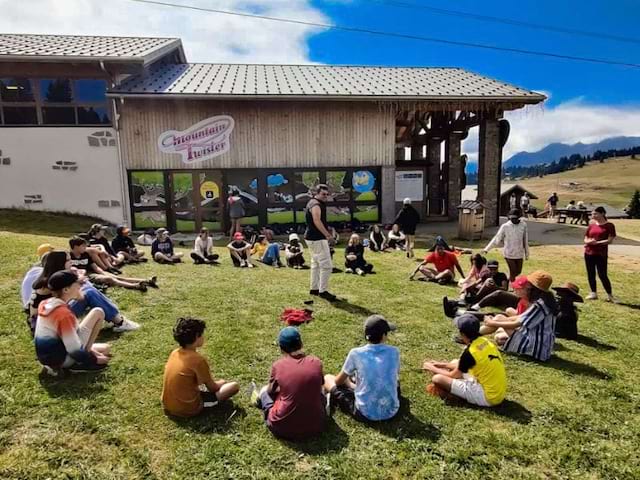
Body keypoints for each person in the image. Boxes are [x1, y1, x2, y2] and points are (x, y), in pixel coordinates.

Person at [29, 250, 140, 335]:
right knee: (89, 292)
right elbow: (73, 297)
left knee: (87, 289)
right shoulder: (51, 282)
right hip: (49, 323)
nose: (71, 262)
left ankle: (116, 318)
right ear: (60, 263)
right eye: (68, 260)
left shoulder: (51, 277)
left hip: (50, 316)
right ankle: (119, 322)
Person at [251, 327, 326, 440]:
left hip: (282, 427)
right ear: (301, 343)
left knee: (264, 392)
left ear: (281, 349)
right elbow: (321, 387)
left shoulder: (278, 365)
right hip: (316, 426)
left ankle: (258, 400)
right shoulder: (316, 362)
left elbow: (270, 391)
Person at [324, 315, 400, 422]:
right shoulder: (394, 351)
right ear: (383, 335)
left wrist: (349, 384)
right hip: (391, 410)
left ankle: (350, 386)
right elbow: (394, 376)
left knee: (328, 378)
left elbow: (338, 381)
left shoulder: (356, 353)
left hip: (365, 413)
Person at [34, 270, 111, 375]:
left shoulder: (45, 303)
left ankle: (84, 354)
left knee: (105, 348)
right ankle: (77, 365)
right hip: (61, 360)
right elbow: (74, 349)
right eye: (77, 283)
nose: (80, 285)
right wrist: (93, 360)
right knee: (98, 312)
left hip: (48, 357)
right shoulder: (63, 314)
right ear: (66, 289)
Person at [423, 313, 507, 407]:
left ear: (462, 334)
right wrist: (441, 364)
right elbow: (462, 365)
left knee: (437, 378)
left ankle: (455, 397)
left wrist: (431, 368)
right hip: (498, 392)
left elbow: (452, 375)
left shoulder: (470, 353)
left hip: (488, 397)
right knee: (455, 362)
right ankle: (459, 391)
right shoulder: (484, 341)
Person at [162, 317, 240, 417]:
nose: (203, 337)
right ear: (196, 337)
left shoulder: (174, 353)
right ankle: (197, 406)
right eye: (201, 334)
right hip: (188, 408)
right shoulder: (198, 360)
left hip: (167, 405)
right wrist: (222, 382)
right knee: (233, 386)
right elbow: (213, 388)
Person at [483, 271, 558, 362]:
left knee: (499, 319)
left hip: (535, 347)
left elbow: (518, 323)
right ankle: (474, 334)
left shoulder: (539, 304)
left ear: (532, 286)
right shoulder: (546, 300)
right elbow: (522, 317)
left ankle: (473, 335)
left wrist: (493, 322)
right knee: (499, 334)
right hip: (542, 346)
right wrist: (502, 320)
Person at [69, 237, 155, 291]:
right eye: (83, 246)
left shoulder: (85, 254)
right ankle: (136, 286)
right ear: (76, 247)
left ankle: (147, 281)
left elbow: (94, 267)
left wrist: (103, 272)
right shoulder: (68, 256)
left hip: (91, 274)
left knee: (116, 277)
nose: (85, 248)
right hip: (82, 278)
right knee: (110, 279)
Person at [304, 184, 337, 301]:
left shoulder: (312, 202)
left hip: (311, 238)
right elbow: (317, 221)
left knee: (316, 264)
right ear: (316, 193)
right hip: (317, 238)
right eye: (323, 194)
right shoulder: (316, 204)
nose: (325, 196)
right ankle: (323, 291)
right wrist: (328, 235)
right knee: (326, 266)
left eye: (327, 195)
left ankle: (314, 289)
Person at [482, 208, 529, 282]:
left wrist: (527, 253)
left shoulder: (523, 225)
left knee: (518, 271)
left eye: (515, 218)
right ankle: (513, 287)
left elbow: (525, 239)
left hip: (519, 253)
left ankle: (505, 280)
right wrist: (487, 249)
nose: (513, 220)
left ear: (519, 217)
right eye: (511, 218)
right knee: (513, 271)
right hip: (508, 253)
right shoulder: (505, 226)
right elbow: (497, 238)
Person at [584, 206, 616, 302]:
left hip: (601, 254)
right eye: (592, 214)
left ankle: (609, 295)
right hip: (589, 252)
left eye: (595, 213)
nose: (593, 215)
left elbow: (610, 240)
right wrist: (588, 242)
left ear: (602, 213)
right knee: (590, 273)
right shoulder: (591, 225)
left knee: (602, 274)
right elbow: (585, 238)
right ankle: (593, 293)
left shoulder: (609, 225)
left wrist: (596, 243)